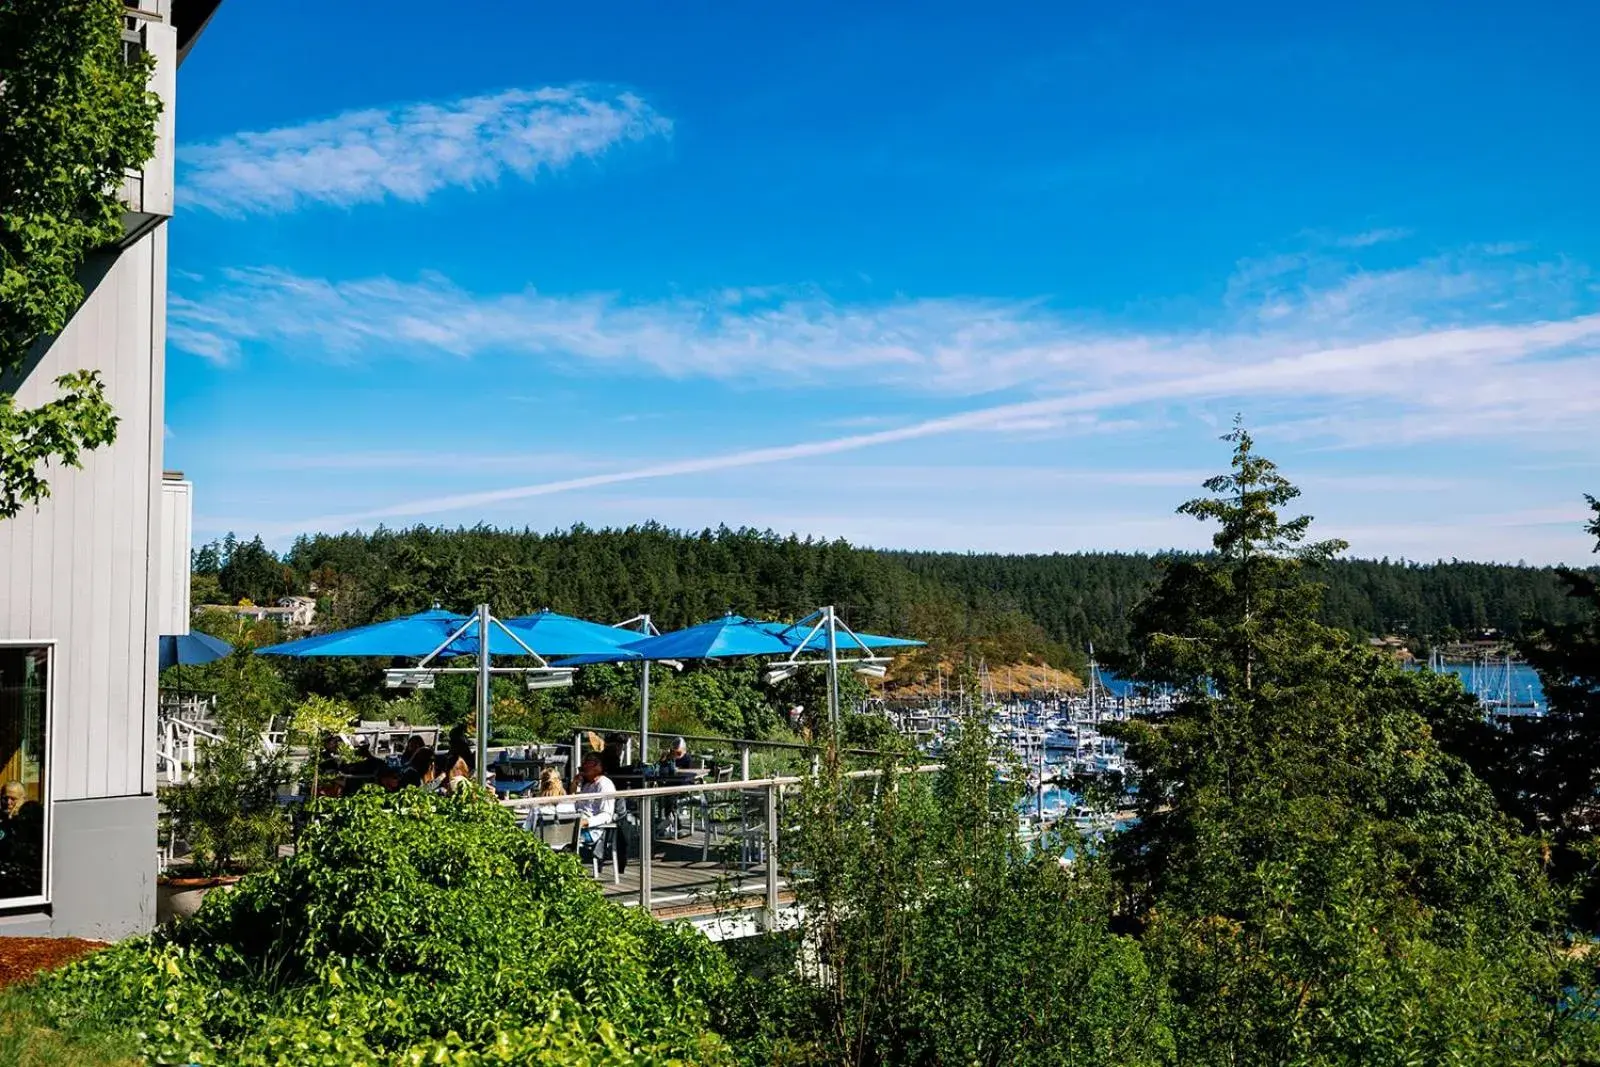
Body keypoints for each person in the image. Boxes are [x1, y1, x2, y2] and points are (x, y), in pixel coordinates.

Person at [0, 782, 43, 897]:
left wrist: (17, 819)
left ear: (22, 799)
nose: (8, 803)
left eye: (13, 799)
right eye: (5, 798)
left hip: (23, 887)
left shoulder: (31, 820)